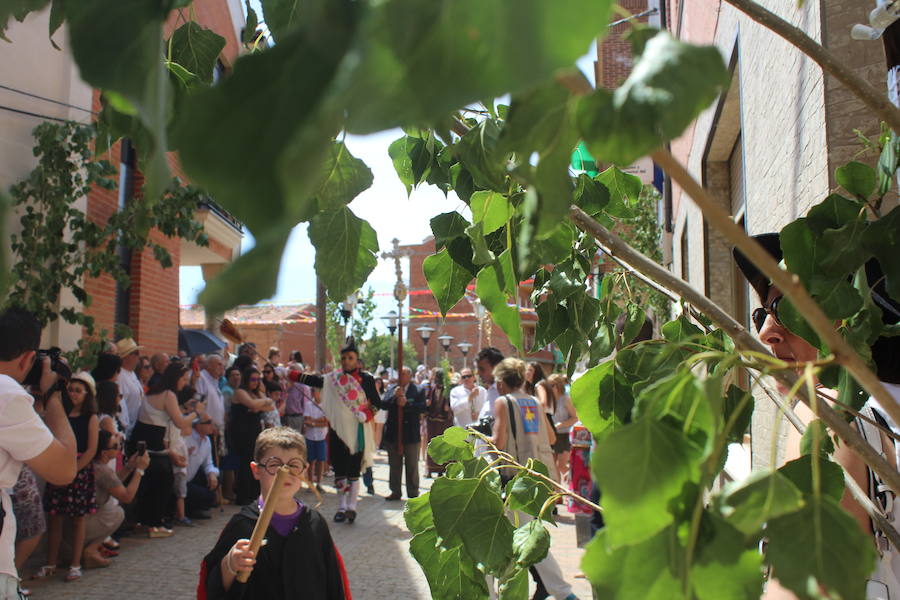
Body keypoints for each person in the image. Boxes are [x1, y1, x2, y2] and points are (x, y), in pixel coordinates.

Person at [734, 235, 900, 599]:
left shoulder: (827, 417)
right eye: (763, 313)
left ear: (849, 319)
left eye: (788, 308)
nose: (765, 334)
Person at [199, 427, 349, 600]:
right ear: (256, 470)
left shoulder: (315, 524)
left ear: (304, 470)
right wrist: (230, 565)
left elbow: (333, 583)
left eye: (293, 465)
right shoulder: (242, 526)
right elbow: (214, 588)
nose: (283, 473)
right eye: (274, 465)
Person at [489, 358, 576, 600]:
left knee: (527, 535)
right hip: (537, 476)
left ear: (502, 381)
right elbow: (549, 438)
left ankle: (562, 591)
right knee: (523, 534)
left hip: (513, 477)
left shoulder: (503, 402)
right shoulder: (535, 402)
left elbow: (498, 441)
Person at [289, 338, 378, 523]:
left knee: (353, 470)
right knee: (340, 470)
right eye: (344, 358)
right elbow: (314, 380)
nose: (346, 361)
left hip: (357, 431)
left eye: (350, 358)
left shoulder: (367, 380)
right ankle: (341, 506)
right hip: (337, 432)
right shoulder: (333, 379)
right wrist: (291, 374)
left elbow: (378, 403)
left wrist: (367, 414)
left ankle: (352, 506)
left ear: (357, 359)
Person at [129, 362, 205, 538]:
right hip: (154, 445)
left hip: (145, 441)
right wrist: (197, 413)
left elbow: (170, 413)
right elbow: (179, 422)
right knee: (162, 482)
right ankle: (154, 524)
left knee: (149, 484)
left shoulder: (155, 391)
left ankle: (144, 522)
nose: (185, 383)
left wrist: (186, 408)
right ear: (175, 378)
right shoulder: (168, 394)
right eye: (184, 379)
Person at [39, 371, 100, 583]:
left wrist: (74, 469)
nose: (73, 394)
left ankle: (75, 564)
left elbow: (91, 449)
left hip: (79, 471)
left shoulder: (91, 418)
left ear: (87, 395)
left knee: (78, 520)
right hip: (59, 467)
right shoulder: (61, 414)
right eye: (71, 390)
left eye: (78, 391)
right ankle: (50, 562)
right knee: (55, 518)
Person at [70, 429, 149, 569]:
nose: (119, 448)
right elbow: (126, 496)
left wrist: (130, 466)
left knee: (110, 508)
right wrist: (140, 470)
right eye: (115, 446)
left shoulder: (91, 464)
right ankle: (92, 549)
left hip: (75, 521)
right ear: (104, 453)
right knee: (117, 512)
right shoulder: (103, 470)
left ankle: (89, 548)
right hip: (84, 522)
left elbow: (113, 484)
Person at [229, 367, 274, 505]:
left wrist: (258, 404)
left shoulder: (256, 393)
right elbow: (253, 404)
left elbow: (270, 405)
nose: (255, 382)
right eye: (253, 379)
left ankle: (254, 493)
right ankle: (243, 495)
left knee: (256, 461)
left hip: (254, 431)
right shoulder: (240, 392)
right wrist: (259, 404)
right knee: (245, 463)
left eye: (258, 379)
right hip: (242, 432)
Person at [381, 366, 426, 500]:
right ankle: (395, 491)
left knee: (412, 464)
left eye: (404, 374)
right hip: (393, 434)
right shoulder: (391, 389)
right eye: (400, 374)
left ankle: (413, 492)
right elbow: (383, 404)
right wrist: (394, 397)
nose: (401, 377)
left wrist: (407, 404)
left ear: (410, 376)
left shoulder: (417, 390)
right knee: (394, 464)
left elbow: (422, 408)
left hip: (410, 435)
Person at [184, 418, 221, 519]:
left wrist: (212, 474)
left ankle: (197, 509)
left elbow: (208, 463)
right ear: (198, 425)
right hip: (182, 479)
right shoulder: (187, 437)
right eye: (208, 423)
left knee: (217, 478)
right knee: (204, 494)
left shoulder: (206, 440)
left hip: (191, 478)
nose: (211, 426)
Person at [547, 374, 577, 482]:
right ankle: (558, 491)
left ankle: (574, 483)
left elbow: (575, 418)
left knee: (561, 465)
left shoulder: (565, 399)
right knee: (552, 466)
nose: (549, 388)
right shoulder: (548, 400)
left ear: (558, 386)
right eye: (547, 385)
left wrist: (562, 424)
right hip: (552, 435)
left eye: (552, 385)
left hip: (564, 435)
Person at [423, 368, 453, 478]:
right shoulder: (430, 389)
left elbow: (452, 405)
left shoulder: (448, 390)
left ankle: (441, 469)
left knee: (442, 445)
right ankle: (430, 469)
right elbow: (426, 402)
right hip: (432, 421)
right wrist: (427, 404)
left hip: (443, 422)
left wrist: (447, 408)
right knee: (431, 445)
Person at [114, 338, 144, 438]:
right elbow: (120, 404)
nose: (138, 356)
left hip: (135, 428)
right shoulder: (120, 376)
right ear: (125, 357)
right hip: (126, 431)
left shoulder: (131, 373)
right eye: (135, 353)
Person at [302, 385, 329, 493]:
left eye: (315, 391)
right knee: (310, 461)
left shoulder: (326, 406)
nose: (313, 393)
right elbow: (307, 421)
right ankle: (310, 483)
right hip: (310, 436)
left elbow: (326, 422)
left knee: (321, 461)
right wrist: (318, 421)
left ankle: (319, 483)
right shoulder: (308, 404)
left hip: (321, 437)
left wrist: (313, 422)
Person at [475, 347, 504, 421]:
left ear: (496, 368)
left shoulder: (505, 392)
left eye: (482, 369)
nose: (478, 373)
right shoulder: (491, 390)